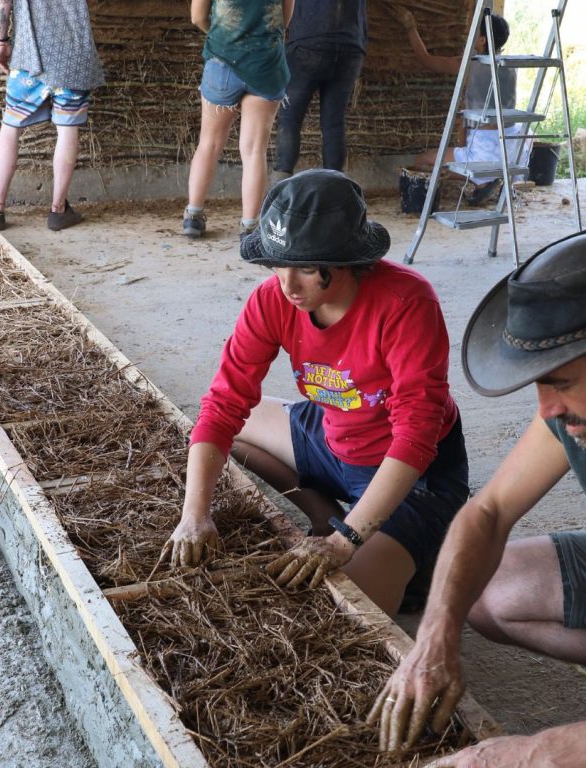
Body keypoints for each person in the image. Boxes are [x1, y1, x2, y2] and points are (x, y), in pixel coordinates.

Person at [368, 226, 586, 766]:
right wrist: (437, 631)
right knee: (486, 588)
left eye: (560, 381)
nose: (547, 408)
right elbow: (487, 512)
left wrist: (537, 753)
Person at [162, 169, 469, 616]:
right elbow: (224, 403)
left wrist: (347, 541)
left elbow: (416, 433)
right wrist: (195, 515)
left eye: (306, 267)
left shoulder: (406, 302)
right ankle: (324, 514)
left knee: (350, 608)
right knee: (233, 428)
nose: (288, 285)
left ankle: (398, 546)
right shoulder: (271, 300)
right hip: (334, 433)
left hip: (410, 472)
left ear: (349, 259)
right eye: (278, 264)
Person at [0, 0, 105, 232]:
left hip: (28, 56)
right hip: (73, 57)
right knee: (67, 129)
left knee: (10, 126)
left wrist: (1, 41)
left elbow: (3, 1)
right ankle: (58, 211)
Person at [182, 0, 294, 240]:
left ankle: (193, 216)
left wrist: (224, 37)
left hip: (223, 61)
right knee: (254, 150)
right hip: (266, 65)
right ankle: (250, 226)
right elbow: (284, 21)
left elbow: (197, 17)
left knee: (209, 143)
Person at [396, 9, 528, 206]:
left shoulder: (468, 65)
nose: (469, 35)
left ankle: (483, 182)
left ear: (482, 40)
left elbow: (426, 60)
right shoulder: (510, 66)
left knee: (421, 161)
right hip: (513, 145)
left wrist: (410, 27)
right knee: (458, 154)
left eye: (474, 32)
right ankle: (489, 179)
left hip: (485, 147)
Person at [271, 0, 367, 182]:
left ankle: (279, 187)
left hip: (309, 39)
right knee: (334, 123)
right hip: (351, 45)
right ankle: (335, 188)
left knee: (290, 119)